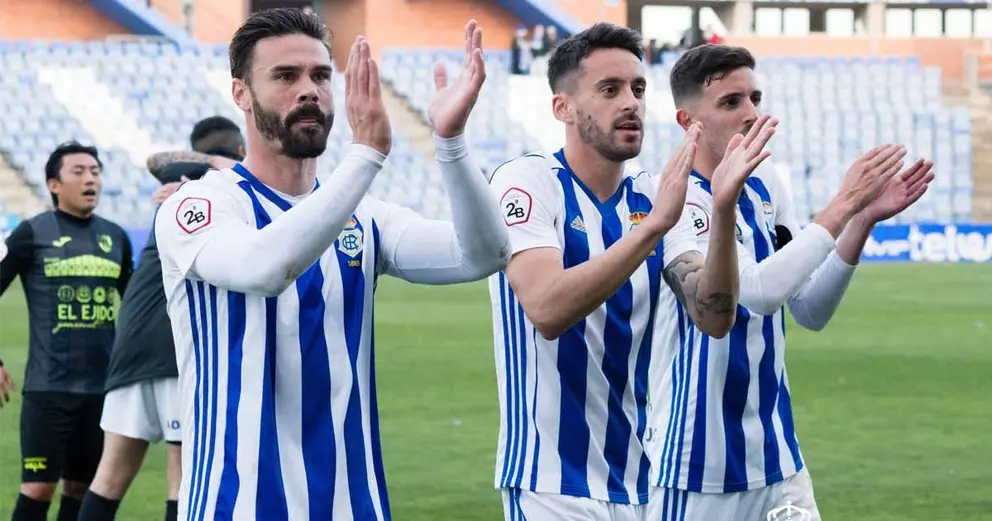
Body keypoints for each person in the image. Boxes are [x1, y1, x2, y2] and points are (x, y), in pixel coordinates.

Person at [154, 9, 509, 521]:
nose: (310, 90)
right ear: (240, 95)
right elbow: (265, 269)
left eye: (321, 75)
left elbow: (483, 254)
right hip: (239, 504)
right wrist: (364, 155)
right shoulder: (199, 208)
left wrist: (451, 144)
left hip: (353, 504)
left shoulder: (364, 217)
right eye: (285, 76)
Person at [486, 23, 776, 521]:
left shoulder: (654, 195)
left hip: (642, 483)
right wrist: (652, 229)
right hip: (550, 482)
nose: (631, 103)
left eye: (638, 89)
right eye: (609, 89)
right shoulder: (530, 182)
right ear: (563, 108)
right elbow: (547, 308)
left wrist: (723, 210)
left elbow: (714, 315)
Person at [646, 44, 934, 521]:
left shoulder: (767, 185)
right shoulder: (671, 200)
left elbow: (808, 310)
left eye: (754, 98)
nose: (751, 114)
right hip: (696, 465)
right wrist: (840, 206)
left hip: (779, 461)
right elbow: (755, 294)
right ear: (687, 123)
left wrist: (859, 221)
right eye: (731, 102)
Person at [76, 120, 246, 521]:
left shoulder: (185, 185)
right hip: (174, 346)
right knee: (183, 477)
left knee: (108, 479)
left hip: (130, 343)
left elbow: (157, 160)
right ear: (240, 149)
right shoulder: (224, 192)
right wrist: (222, 168)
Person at [0, 142, 133, 521]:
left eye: (95, 171)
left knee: (82, 489)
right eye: (79, 171)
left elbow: (135, 306)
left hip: (102, 390)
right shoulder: (31, 234)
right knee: (39, 488)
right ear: (54, 185)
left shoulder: (116, 238)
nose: (91, 178)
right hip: (49, 389)